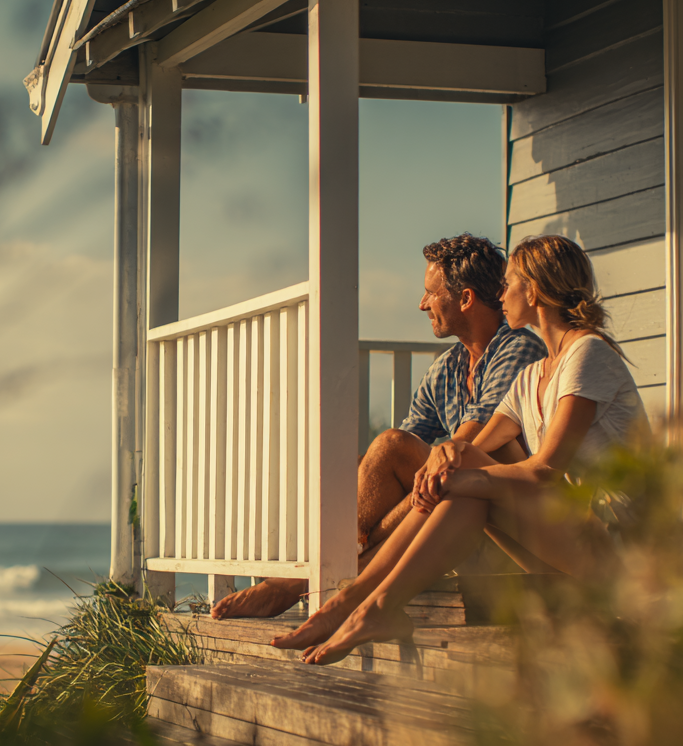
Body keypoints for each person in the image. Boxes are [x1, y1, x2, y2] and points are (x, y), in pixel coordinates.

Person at [271, 234, 648, 664]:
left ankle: (358, 602)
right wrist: (446, 464)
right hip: (566, 535)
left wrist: (454, 476)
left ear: (536, 290)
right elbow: (468, 448)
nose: (500, 293)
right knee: (461, 469)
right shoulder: (534, 375)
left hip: (619, 547)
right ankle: (366, 605)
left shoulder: (588, 354)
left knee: (465, 481)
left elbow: (544, 469)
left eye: (508, 284)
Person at [210, 234, 547, 620]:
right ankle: (324, 579)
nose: (422, 304)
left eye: (430, 294)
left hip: (502, 523)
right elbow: (403, 450)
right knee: (363, 462)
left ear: (466, 299)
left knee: (390, 448)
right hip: (456, 506)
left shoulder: (518, 348)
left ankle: (300, 582)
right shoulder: (449, 367)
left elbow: (467, 445)